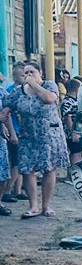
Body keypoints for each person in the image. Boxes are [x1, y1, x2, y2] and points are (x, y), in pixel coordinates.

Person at [1, 61, 69, 218]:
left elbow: (49, 99)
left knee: (49, 169)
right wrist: (6, 119)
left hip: (49, 136)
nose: (28, 75)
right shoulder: (19, 92)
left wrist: (34, 85)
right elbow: (6, 106)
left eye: (32, 72)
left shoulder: (50, 85)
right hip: (28, 136)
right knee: (27, 170)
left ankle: (46, 206)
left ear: (40, 74)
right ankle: (33, 206)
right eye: (26, 73)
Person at [2, 63, 25, 203]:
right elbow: (8, 113)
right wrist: (12, 133)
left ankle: (17, 190)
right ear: (16, 76)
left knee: (21, 162)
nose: (25, 77)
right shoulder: (11, 91)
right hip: (15, 130)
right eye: (23, 75)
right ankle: (7, 190)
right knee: (16, 162)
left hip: (22, 131)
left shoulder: (24, 89)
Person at [61, 77, 82, 165]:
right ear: (77, 89)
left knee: (79, 151)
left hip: (76, 132)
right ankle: (74, 167)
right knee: (76, 152)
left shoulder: (75, 101)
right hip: (71, 134)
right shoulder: (68, 102)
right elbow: (67, 118)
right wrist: (73, 132)